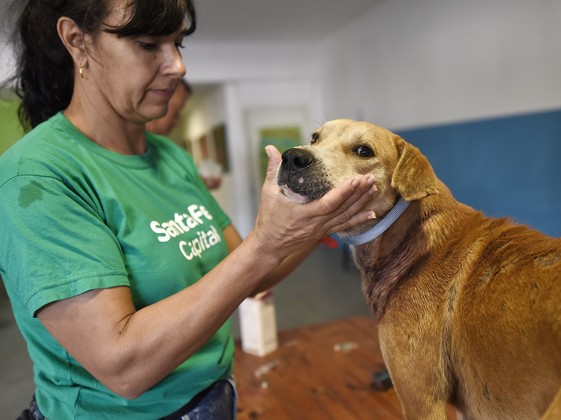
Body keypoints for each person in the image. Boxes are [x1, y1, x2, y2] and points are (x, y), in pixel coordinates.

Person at [0, 0, 377, 418]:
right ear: (76, 41)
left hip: (213, 399)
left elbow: (249, 273)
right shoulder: (37, 176)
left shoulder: (170, 157)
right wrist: (266, 244)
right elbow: (124, 367)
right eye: (148, 45)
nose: (178, 66)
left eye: (178, 44)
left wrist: (322, 218)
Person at [146, 78, 223, 190]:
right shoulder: (130, 150)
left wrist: (199, 184)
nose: (177, 122)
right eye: (176, 112)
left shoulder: (169, 152)